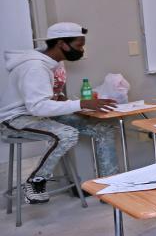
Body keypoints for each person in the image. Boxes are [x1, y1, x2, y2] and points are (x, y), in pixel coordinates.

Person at [0, 22, 118, 203]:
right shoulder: (35, 68)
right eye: (79, 45)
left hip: (40, 114)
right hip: (15, 119)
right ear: (62, 44)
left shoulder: (55, 63)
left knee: (104, 129)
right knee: (67, 134)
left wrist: (69, 103)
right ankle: (35, 181)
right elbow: (38, 106)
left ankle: (110, 188)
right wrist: (80, 103)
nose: (82, 50)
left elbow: (50, 94)